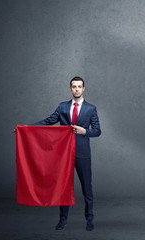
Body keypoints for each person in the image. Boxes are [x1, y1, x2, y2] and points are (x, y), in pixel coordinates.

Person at [31, 76, 101, 230]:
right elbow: (48, 121)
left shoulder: (91, 109)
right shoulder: (62, 107)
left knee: (87, 188)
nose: (76, 89)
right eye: (74, 86)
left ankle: (90, 219)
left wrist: (84, 131)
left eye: (79, 86)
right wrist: (26, 128)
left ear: (83, 89)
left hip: (82, 154)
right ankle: (63, 220)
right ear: (70, 88)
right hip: (64, 154)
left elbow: (97, 131)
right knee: (63, 189)